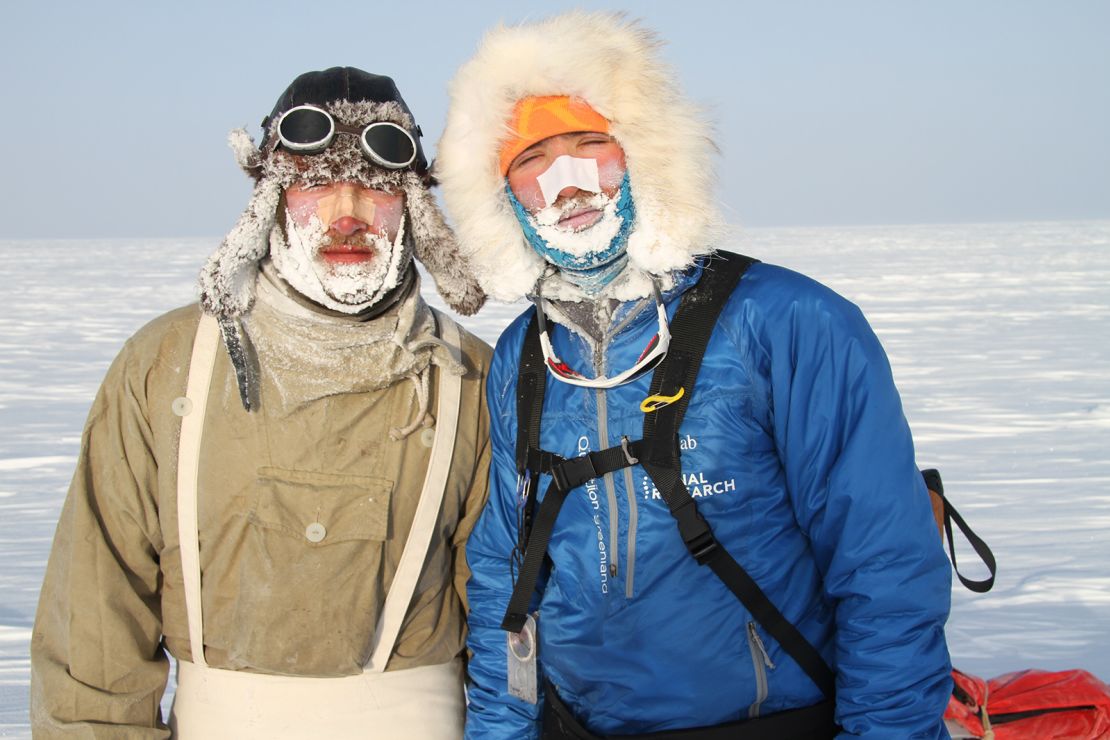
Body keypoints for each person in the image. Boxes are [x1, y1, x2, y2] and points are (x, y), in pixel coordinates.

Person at [435, 13, 953, 739]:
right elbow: (502, 574)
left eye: (591, 143)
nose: (567, 181)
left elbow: (885, 569)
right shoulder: (524, 353)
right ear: (500, 194)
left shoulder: (787, 323)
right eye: (532, 158)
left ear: (647, 154)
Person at [31, 67, 490, 738]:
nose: (348, 213)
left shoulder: (470, 377)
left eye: (374, 186)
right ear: (270, 201)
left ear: (414, 206)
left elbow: (513, 628)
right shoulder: (165, 366)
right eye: (314, 184)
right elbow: (95, 621)